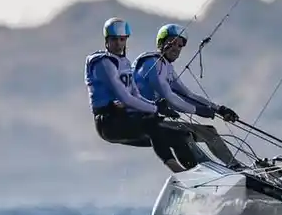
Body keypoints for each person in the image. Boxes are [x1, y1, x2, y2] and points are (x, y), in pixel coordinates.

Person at [85, 17, 203, 173]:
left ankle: (195, 174)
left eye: (122, 39)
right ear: (107, 40)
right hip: (108, 124)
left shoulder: (124, 63)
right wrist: (155, 109)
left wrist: (157, 107)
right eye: (114, 39)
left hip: (125, 120)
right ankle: (177, 170)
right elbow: (126, 98)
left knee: (178, 136)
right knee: (151, 124)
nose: (119, 44)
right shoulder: (103, 63)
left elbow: (136, 95)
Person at [132, 22, 247, 169]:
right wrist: (198, 110)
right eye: (172, 43)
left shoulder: (167, 67)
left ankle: (234, 167)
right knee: (184, 135)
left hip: (152, 121)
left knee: (209, 132)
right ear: (161, 43)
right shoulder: (152, 63)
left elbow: (187, 94)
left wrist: (219, 109)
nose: (176, 48)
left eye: (180, 46)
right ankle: (210, 170)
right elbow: (171, 98)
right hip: (140, 123)